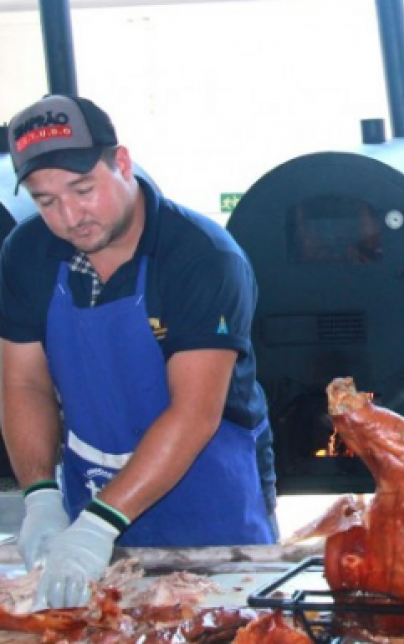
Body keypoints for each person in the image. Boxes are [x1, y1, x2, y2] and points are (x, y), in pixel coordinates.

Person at [0, 94, 278, 608]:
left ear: (121, 163)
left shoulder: (202, 257)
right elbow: (22, 382)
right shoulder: (27, 254)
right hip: (90, 494)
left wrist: (96, 528)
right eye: (46, 201)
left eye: (83, 190)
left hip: (207, 496)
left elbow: (194, 413)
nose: (70, 216)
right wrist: (40, 496)